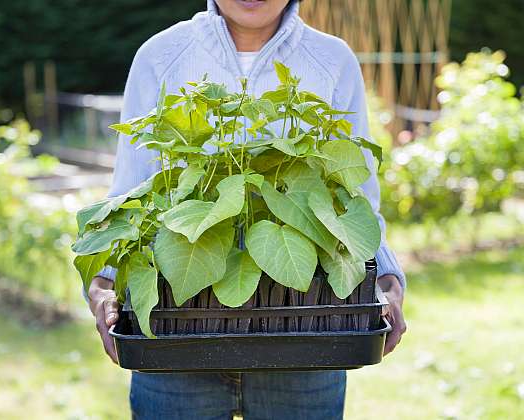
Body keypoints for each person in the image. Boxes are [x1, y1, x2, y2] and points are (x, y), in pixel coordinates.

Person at [87, 1, 407, 418]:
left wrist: (386, 278)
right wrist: (102, 285)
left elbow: (355, 201)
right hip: (176, 335)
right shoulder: (161, 55)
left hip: (304, 336)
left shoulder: (331, 60)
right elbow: (129, 198)